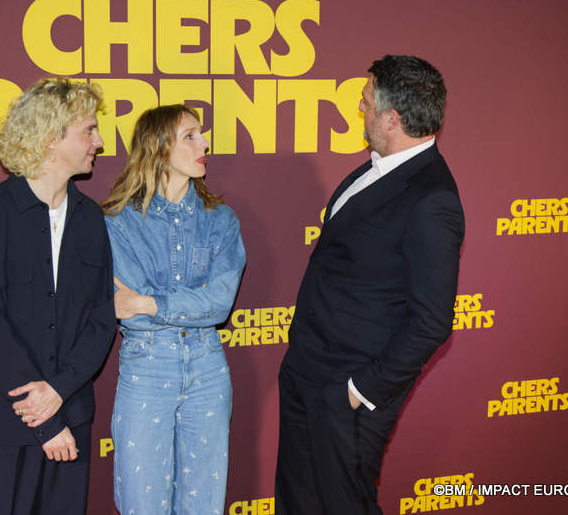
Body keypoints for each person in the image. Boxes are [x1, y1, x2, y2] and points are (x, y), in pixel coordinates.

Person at [275, 55, 465, 514]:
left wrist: (357, 391)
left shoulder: (432, 200)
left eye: (364, 104)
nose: (359, 112)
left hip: (348, 395)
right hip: (307, 370)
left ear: (391, 118)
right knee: (298, 503)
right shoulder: (374, 168)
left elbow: (432, 321)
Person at [0, 78, 117, 515]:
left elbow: (102, 318)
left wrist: (60, 392)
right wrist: (44, 419)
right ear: (51, 137)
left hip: (73, 417)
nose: (99, 142)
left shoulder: (91, 221)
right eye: (88, 130)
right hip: (3, 424)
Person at [101, 104, 246, 515]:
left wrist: (150, 301)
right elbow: (125, 311)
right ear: (158, 147)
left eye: (201, 134)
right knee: (142, 502)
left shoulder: (221, 221)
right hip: (147, 365)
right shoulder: (117, 222)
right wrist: (170, 306)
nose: (205, 143)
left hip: (207, 366)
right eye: (190, 135)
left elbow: (217, 304)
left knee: (204, 504)